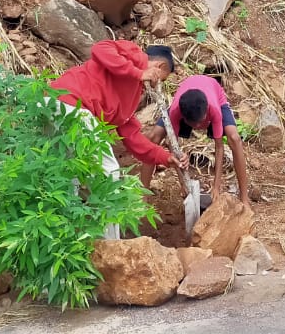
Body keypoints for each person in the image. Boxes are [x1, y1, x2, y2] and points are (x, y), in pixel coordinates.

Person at [50, 41, 187, 237]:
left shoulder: (128, 97)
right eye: (161, 79)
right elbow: (100, 49)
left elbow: (133, 138)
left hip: (53, 106)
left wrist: (166, 158)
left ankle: (69, 240)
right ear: (159, 67)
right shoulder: (135, 56)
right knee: (109, 175)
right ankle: (110, 245)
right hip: (72, 104)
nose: (156, 84)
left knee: (69, 175)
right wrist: (139, 72)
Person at [139, 74, 252, 210]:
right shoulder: (176, 110)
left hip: (214, 95)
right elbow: (172, 144)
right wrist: (183, 182)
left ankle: (244, 199)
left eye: (201, 121)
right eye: (195, 124)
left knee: (234, 138)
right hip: (187, 102)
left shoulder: (213, 108)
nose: (199, 126)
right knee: (153, 137)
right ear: (184, 119)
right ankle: (142, 197)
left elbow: (219, 147)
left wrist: (216, 187)